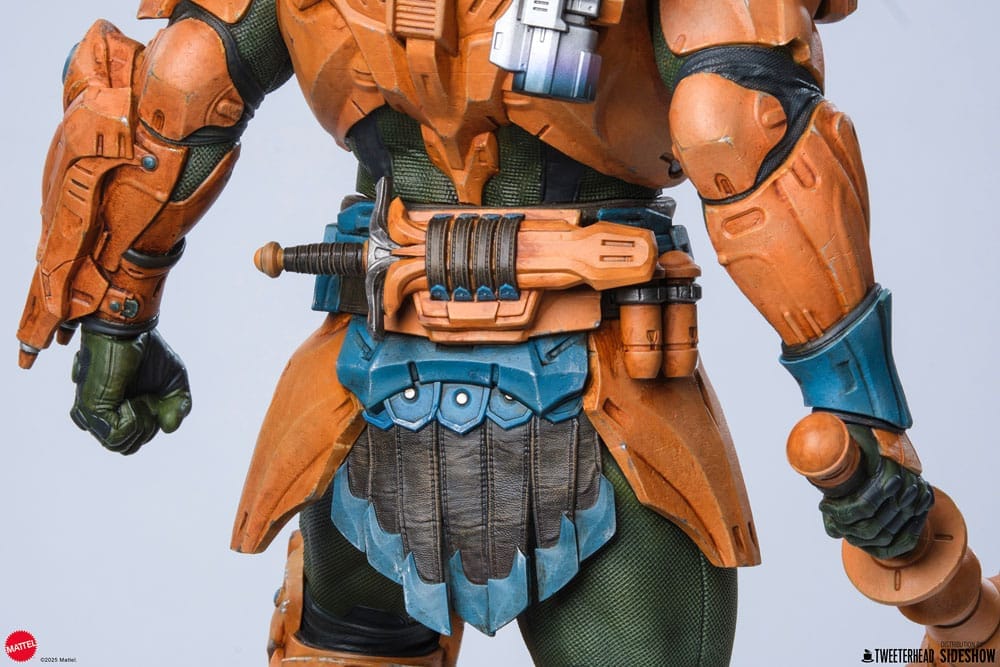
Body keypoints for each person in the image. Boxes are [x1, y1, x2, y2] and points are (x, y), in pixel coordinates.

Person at [18, 1, 980, 665]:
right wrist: (858, 415)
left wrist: (121, 315)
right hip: (411, 382)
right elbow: (743, 132)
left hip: (556, 394)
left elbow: (181, 92)